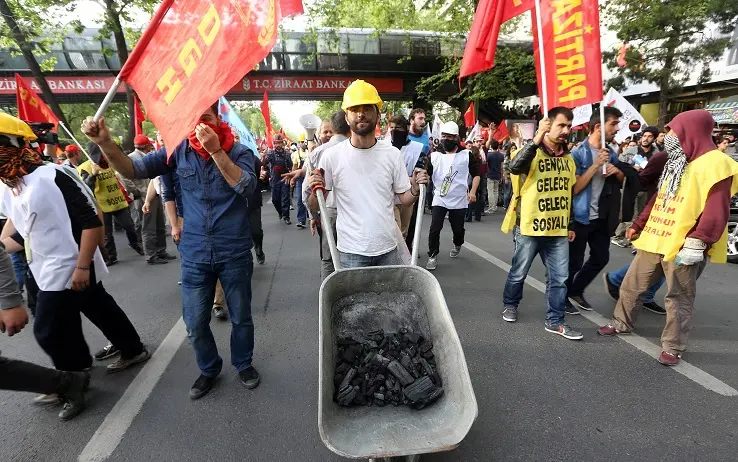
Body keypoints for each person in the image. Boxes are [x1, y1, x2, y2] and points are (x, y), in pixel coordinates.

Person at [82, 101, 260, 399]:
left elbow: (246, 186)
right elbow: (133, 169)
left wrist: (216, 151)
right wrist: (105, 143)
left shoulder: (239, 152)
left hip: (234, 253)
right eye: (194, 120)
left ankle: (243, 364)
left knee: (241, 317)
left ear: (218, 120)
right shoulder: (176, 152)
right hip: (194, 255)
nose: (200, 126)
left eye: (206, 118)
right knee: (194, 323)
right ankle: (209, 369)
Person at [0, 113, 150, 403]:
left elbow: (91, 221)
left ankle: (72, 377)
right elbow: (18, 223)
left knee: (48, 328)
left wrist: (82, 266)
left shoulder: (51, 177)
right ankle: (131, 348)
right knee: (98, 307)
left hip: (70, 263)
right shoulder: (10, 183)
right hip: (43, 264)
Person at [599, 110, 738, 365]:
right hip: (656, 236)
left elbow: (717, 209)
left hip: (686, 244)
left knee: (678, 297)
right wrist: (639, 223)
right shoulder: (677, 160)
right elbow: (660, 197)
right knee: (632, 285)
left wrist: (699, 241)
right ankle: (620, 323)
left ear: (691, 131)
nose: (669, 136)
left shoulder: (716, 164)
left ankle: (673, 346)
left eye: (674, 130)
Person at [307, 80, 428, 268]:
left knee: (388, 298)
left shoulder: (392, 154)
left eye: (367, 108)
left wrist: (414, 189)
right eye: (355, 109)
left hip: (388, 249)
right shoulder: (331, 157)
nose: (361, 113)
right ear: (347, 117)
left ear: (378, 115)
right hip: (350, 252)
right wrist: (314, 189)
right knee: (356, 299)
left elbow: (404, 199)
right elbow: (316, 205)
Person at [500, 107, 581, 340]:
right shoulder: (532, 152)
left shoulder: (568, 159)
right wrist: (536, 139)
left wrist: (570, 225)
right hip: (529, 227)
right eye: (561, 125)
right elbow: (514, 167)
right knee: (519, 272)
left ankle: (555, 321)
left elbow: (568, 194)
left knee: (560, 277)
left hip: (557, 230)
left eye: (569, 126)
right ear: (548, 126)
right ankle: (510, 304)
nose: (566, 131)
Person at [0, 241, 89, 421]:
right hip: (45, 268)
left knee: (48, 330)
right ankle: (71, 379)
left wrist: (9, 303)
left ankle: (70, 381)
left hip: (57, 264)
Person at [565, 107, 626, 314]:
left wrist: (616, 171)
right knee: (574, 262)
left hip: (601, 216)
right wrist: (595, 166)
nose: (617, 128)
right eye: (613, 124)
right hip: (580, 217)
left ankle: (576, 290)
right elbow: (573, 189)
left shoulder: (611, 152)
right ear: (598, 126)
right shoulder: (577, 154)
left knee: (601, 257)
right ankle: (562, 295)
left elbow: (621, 180)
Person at [603, 151, 668, 315]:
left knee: (663, 259)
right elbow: (642, 182)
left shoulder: (692, 159)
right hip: (658, 215)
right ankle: (618, 283)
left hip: (676, 218)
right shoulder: (663, 157)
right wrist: (638, 223)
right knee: (653, 258)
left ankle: (642, 295)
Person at [425, 121, 480, 270]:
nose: (446, 139)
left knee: (458, 228)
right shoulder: (434, 156)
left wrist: (473, 192)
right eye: (444, 136)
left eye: (450, 137)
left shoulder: (466, 155)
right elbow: (427, 174)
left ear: (456, 138)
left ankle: (458, 243)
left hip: (459, 198)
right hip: (440, 197)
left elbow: (476, 175)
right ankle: (432, 255)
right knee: (435, 227)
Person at [78, 143, 143, 266]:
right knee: (107, 233)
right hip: (102, 205)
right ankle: (111, 256)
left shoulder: (109, 162)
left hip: (118, 201)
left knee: (129, 226)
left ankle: (136, 245)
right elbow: (85, 187)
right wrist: (93, 175)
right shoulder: (86, 167)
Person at [388, 115, 426, 239]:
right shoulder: (383, 146)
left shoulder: (417, 149)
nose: (394, 131)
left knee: (403, 231)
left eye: (397, 128)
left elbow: (419, 173)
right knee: (395, 231)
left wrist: (409, 180)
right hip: (388, 197)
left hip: (407, 195)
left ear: (406, 128)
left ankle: (404, 255)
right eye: (391, 128)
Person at [127, 135, 155, 241]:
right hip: (141, 195)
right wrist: (135, 190)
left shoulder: (146, 155)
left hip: (148, 193)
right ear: (146, 145)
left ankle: (157, 250)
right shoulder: (131, 158)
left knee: (152, 223)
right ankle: (142, 245)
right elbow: (121, 175)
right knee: (143, 223)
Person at [265, 134, 293, 225]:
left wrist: (290, 176)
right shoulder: (270, 153)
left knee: (285, 198)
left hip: (284, 178)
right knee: (275, 199)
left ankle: (286, 216)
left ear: (282, 143)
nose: (278, 145)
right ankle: (280, 212)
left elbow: (290, 166)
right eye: (276, 143)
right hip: (274, 179)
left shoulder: (287, 154)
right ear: (274, 143)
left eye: (280, 143)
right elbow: (264, 164)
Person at [466, 135, 487, 222]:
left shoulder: (471, 157)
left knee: (469, 197)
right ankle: (477, 215)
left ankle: (468, 216)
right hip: (478, 178)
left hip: (471, 178)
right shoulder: (480, 157)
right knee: (477, 196)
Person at [292, 135, 309, 229]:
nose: (302, 143)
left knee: (309, 198)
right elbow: (294, 167)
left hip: (309, 177)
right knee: (300, 199)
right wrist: (292, 178)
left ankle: (311, 215)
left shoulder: (311, 151)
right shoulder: (296, 154)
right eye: (301, 141)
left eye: (304, 141)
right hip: (299, 179)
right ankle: (301, 220)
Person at [485, 139, 505, 214]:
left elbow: (487, 165)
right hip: (498, 174)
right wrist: (501, 175)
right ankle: (495, 206)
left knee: (490, 191)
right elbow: (502, 166)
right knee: (496, 191)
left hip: (490, 174)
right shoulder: (501, 155)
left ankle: (491, 207)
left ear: (491, 146)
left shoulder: (489, 155)